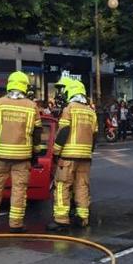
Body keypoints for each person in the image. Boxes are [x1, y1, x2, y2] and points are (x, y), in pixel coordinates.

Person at [0, 71, 43, 233]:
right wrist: (36, 155)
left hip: (0, 155)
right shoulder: (31, 106)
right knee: (19, 190)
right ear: (24, 86)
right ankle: (15, 224)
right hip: (22, 157)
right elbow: (37, 135)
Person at [47, 80, 97, 231]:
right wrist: (89, 152)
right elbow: (94, 136)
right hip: (85, 157)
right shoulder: (91, 112)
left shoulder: (69, 109)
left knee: (62, 185)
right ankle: (82, 217)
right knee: (82, 186)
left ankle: (61, 220)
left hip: (68, 155)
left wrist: (55, 151)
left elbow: (63, 131)